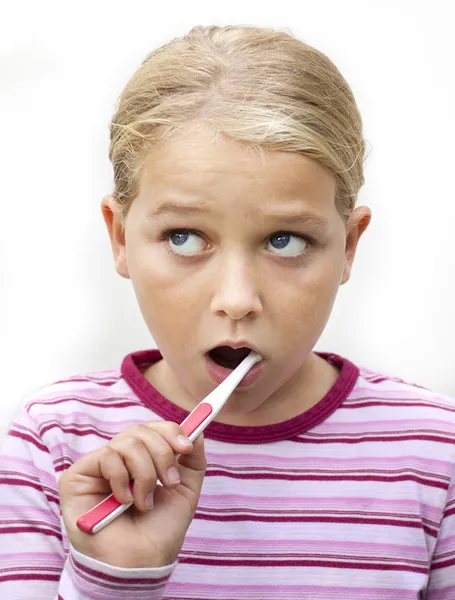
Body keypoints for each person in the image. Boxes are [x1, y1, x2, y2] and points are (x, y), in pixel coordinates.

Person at [1, 24, 454, 600]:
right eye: (185, 237)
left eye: (285, 240)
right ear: (119, 237)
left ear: (349, 246)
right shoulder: (55, 443)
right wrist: (115, 580)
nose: (238, 299)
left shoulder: (436, 451)